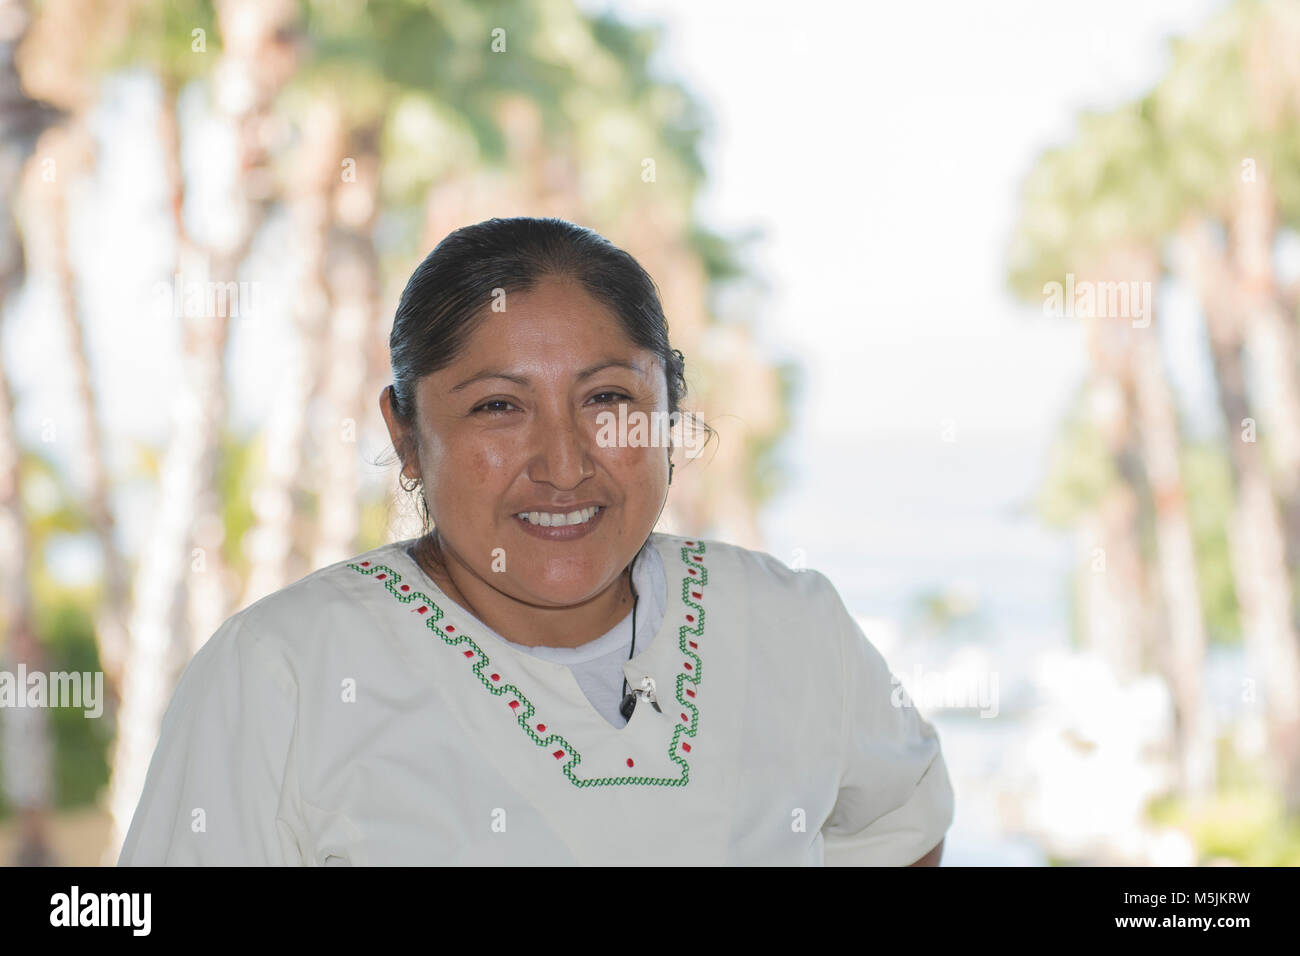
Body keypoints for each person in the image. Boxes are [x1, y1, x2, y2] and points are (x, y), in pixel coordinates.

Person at [117, 216, 954, 866]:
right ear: (406, 436)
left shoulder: (789, 626)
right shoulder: (284, 675)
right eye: (498, 406)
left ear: (668, 411)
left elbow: (900, 826)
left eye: (607, 399)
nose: (564, 465)